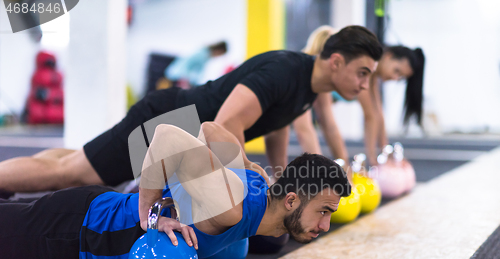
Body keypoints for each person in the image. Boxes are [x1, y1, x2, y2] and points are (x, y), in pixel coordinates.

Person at [0, 25, 382, 197]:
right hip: (168, 122)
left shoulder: (307, 86)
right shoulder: (286, 70)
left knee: (76, 162)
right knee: (71, 175)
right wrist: (252, 179)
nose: (365, 85)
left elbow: (275, 125)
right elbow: (226, 123)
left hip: (182, 131)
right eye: (362, 73)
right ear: (335, 61)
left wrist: (279, 180)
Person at [0, 122, 350, 259]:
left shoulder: (255, 184)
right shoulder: (231, 207)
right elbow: (166, 138)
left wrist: (244, 162)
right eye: (323, 212)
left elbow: (212, 129)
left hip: (88, 213)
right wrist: (150, 214)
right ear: (290, 201)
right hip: (79, 230)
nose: (325, 225)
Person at [292, 26, 425, 166]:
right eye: (396, 71)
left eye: (400, 78)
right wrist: (370, 161)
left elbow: (376, 114)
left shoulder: (367, 79)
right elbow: (320, 125)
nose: (394, 78)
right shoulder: (312, 78)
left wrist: (383, 153)